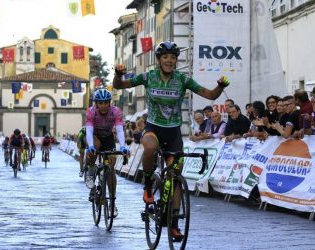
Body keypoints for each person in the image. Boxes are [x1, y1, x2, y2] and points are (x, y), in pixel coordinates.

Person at [113, 41, 229, 239]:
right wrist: (118, 74)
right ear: (159, 60)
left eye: (173, 57)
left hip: (174, 132)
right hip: (154, 127)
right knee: (149, 148)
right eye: (165, 57)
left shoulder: (183, 79)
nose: (169, 60)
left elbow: (209, 94)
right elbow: (120, 85)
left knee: (175, 180)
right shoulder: (148, 76)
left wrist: (220, 86)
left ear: (176, 61)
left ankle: (174, 223)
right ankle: (148, 185)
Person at [85, 88, 130, 217]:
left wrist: (122, 147)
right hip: (94, 136)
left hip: (109, 138)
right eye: (100, 103)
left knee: (111, 168)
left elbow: (120, 130)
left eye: (106, 103)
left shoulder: (115, 111)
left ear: (110, 103)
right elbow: (88, 131)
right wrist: (91, 146)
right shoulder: (91, 112)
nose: (103, 106)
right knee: (95, 147)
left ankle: (112, 202)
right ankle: (90, 171)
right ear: (96, 103)